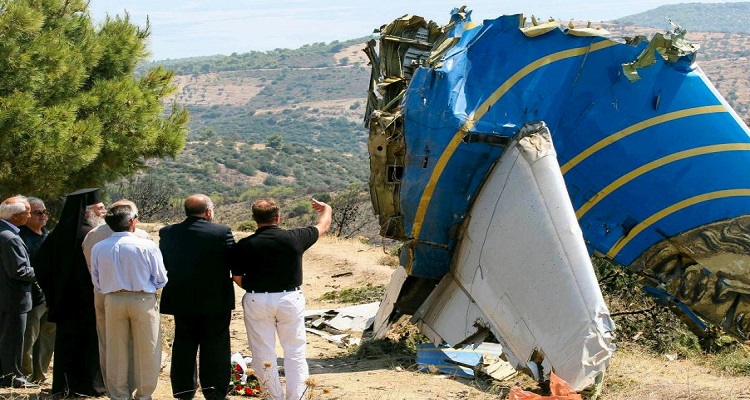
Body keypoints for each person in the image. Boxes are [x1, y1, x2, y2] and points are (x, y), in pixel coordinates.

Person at [230, 198, 332, 400]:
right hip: (289, 297)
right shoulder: (295, 238)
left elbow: (237, 277)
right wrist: (327, 208)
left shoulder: (244, 245)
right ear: (278, 217)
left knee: (262, 352)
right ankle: (297, 397)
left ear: (254, 219)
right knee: (295, 351)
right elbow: (323, 225)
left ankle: (272, 396)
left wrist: (255, 287)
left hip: (256, 299)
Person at [159, 194, 236, 400]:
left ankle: (184, 391)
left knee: (184, 345)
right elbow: (233, 262)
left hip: (181, 299)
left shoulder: (167, 233)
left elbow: (164, 262)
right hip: (215, 300)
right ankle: (215, 392)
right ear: (208, 212)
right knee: (216, 347)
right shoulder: (222, 232)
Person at [35, 188, 107, 397]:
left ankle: (64, 385)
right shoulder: (90, 235)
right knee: (88, 345)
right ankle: (89, 386)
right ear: (86, 212)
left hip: (65, 301)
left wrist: (53, 290)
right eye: (99, 209)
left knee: (67, 344)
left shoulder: (58, 234)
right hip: (86, 300)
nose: (103, 212)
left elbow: (40, 265)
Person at [91, 204, 167, 400]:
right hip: (142, 299)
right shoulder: (147, 245)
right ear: (132, 221)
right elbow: (161, 278)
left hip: (113, 299)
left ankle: (118, 395)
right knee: (147, 349)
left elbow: (97, 281)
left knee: (115, 349)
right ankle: (144, 395)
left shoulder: (98, 247)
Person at [83, 199, 151, 394]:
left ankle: (115, 389)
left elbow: (91, 267)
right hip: (138, 294)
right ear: (131, 218)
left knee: (108, 343)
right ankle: (135, 385)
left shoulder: (93, 235)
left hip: (103, 292)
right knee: (139, 344)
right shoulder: (141, 236)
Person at [0, 195, 39, 389]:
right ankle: (13, 377)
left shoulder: (5, 232)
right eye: (27, 212)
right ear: (16, 216)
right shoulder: (9, 238)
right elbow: (19, 271)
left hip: (6, 297)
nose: (30, 215)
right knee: (13, 341)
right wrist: (42, 271)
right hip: (13, 299)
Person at [18, 197, 55, 384]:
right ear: (27, 215)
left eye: (45, 212)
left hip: (51, 295)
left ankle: (40, 375)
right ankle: (26, 374)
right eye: (38, 212)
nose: (43, 216)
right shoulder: (21, 237)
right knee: (29, 337)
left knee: (47, 337)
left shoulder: (47, 235)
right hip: (32, 296)